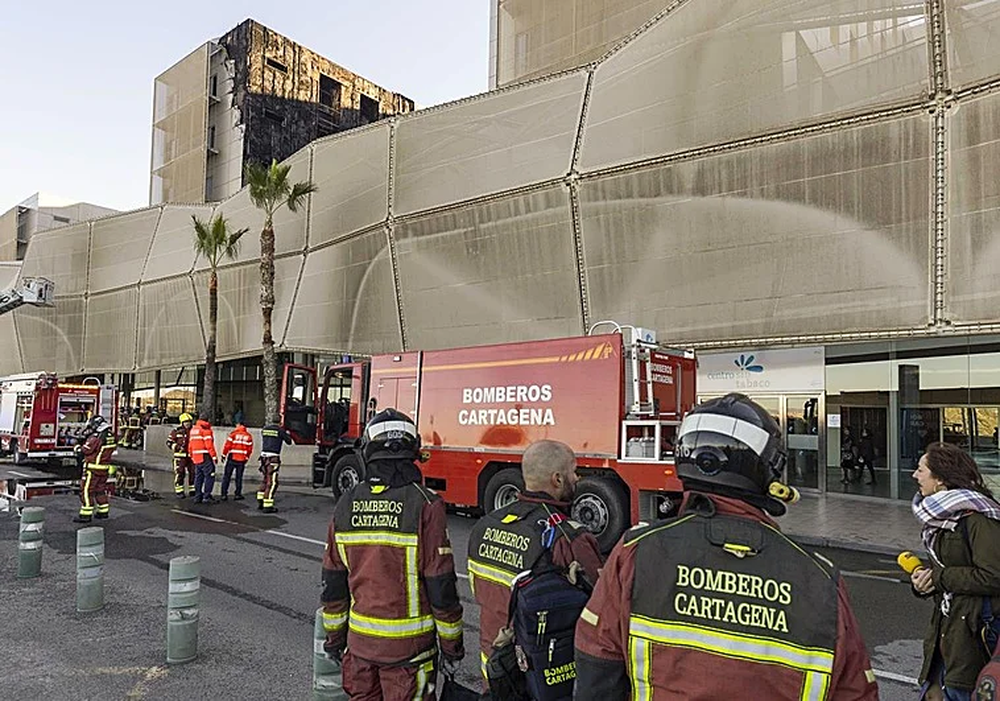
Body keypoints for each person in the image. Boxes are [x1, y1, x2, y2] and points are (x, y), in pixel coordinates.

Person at [575, 393, 878, 700]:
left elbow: (596, 666)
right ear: (768, 471)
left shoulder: (635, 554)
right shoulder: (820, 579)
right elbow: (856, 691)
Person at [321, 408, 464, 700]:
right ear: (413, 453)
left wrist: (334, 640)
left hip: (360, 649)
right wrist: (452, 646)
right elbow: (441, 584)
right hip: (410, 655)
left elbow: (333, 583)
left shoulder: (346, 503)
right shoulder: (426, 504)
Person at [467, 439, 603, 684]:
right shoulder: (569, 537)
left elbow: (477, 589)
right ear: (558, 479)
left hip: (495, 665)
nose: (577, 478)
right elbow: (601, 609)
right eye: (574, 471)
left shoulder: (484, 526)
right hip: (544, 673)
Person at [910, 442, 1000, 700]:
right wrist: (923, 583)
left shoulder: (978, 518)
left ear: (940, 479)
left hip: (975, 635)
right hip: (948, 630)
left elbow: (994, 575)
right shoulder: (940, 518)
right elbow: (950, 568)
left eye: (920, 470)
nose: (915, 475)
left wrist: (938, 578)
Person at [73, 416, 118, 523]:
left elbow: (85, 450)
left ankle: (85, 514)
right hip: (104, 469)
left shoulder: (96, 437)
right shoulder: (110, 435)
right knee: (100, 490)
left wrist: (77, 446)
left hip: (92, 469)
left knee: (86, 491)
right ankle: (103, 511)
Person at [257, 421, 292, 513]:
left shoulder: (264, 429)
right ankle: (267, 506)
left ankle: (260, 501)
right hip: (273, 458)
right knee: (272, 483)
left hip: (263, 457)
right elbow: (289, 441)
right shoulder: (279, 430)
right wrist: (287, 433)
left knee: (265, 479)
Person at [188, 414, 218, 504]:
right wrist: (214, 457)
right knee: (210, 476)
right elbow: (209, 445)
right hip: (205, 456)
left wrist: (192, 456)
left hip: (196, 457)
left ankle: (198, 496)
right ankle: (207, 496)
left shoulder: (193, 430)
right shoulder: (205, 430)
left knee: (198, 477)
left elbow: (190, 445)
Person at [220, 422, 254, 501]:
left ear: (238, 425)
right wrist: (246, 458)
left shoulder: (233, 434)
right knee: (239, 477)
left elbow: (227, 445)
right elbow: (249, 449)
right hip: (241, 459)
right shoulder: (248, 436)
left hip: (232, 457)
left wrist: (223, 455)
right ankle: (237, 494)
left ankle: (224, 494)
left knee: (227, 476)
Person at [167, 413, 195, 498]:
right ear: (182, 423)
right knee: (180, 473)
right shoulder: (176, 431)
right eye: (185, 422)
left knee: (193, 473)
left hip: (191, 456)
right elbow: (169, 442)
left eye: (189, 422)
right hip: (180, 456)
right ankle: (179, 491)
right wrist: (177, 447)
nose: (187, 424)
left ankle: (192, 490)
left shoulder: (194, 431)